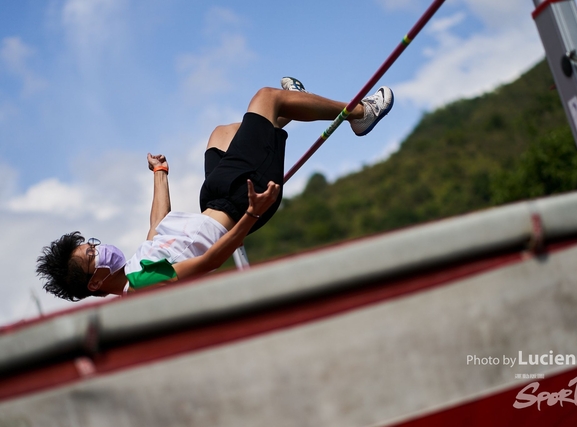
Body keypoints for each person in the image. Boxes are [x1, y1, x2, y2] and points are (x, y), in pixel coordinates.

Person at [36, 78, 394, 301]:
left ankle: (292, 108)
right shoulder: (143, 285)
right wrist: (253, 212)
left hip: (214, 199)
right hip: (241, 202)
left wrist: (160, 173)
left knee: (221, 133)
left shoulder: (136, 267)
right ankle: (359, 114)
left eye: (92, 245)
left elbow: (157, 224)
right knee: (267, 98)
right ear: (95, 283)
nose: (99, 249)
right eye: (91, 256)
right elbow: (210, 260)